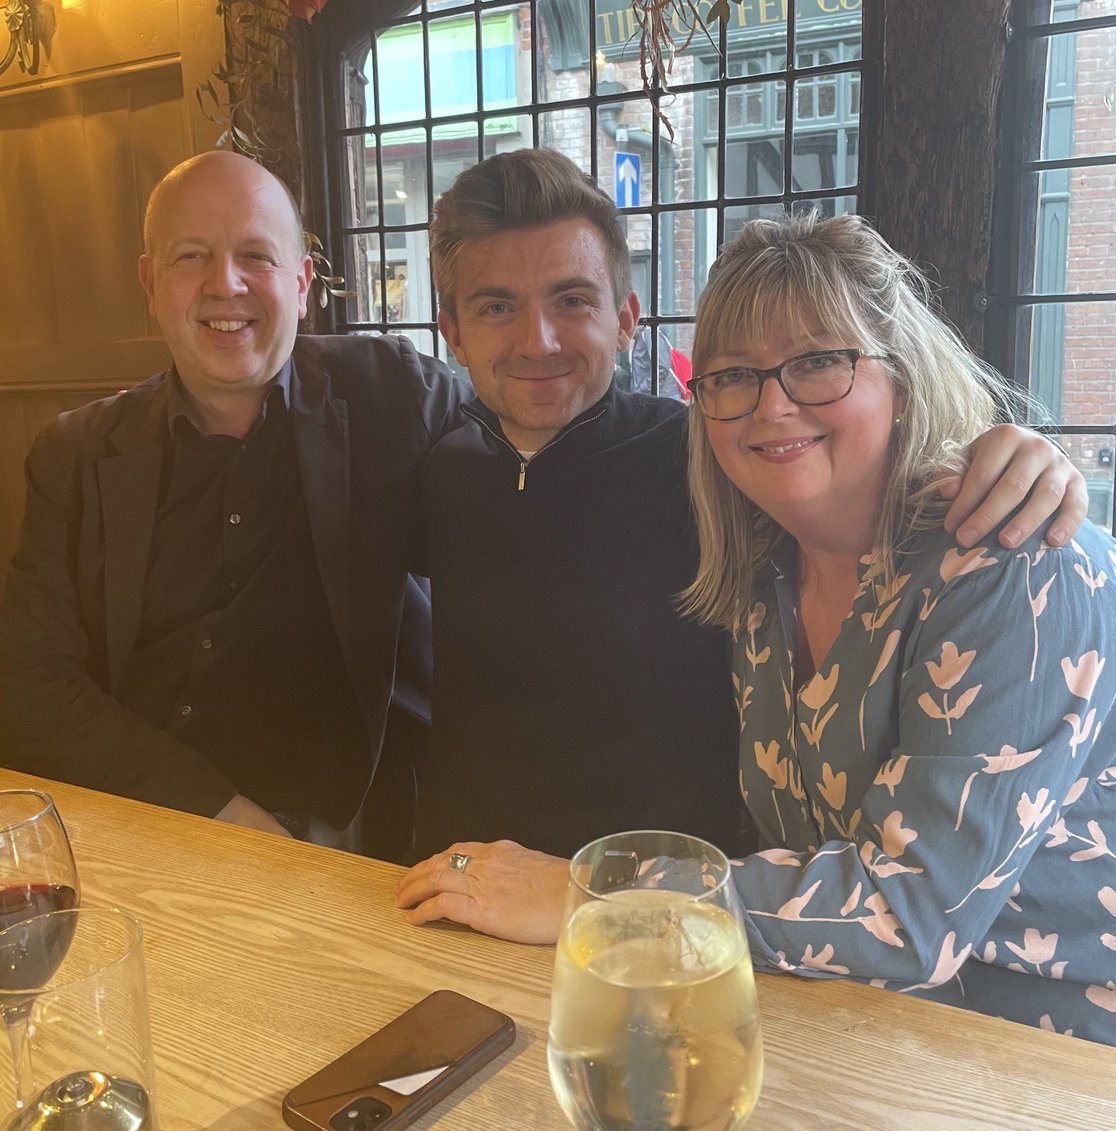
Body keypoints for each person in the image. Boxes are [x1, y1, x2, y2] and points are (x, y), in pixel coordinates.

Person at [394, 148, 1092, 942]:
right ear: (449, 330)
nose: (539, 339)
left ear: (624, 317)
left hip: (674, 920)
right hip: (461, 889)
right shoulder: (439, 469)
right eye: (494, 308)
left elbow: (869, 477)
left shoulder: (714, 462)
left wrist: (1033, 461)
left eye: (572, 299)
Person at [679, 212, 1115, 1042]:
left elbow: (910, 916)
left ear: (902, 380)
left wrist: (610, 901)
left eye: (818, 362)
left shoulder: (1013, 557)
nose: (770, 406)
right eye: (732, 376)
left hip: (1054, 1077)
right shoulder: (763, 588)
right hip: (859, 1031)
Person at [0, 151, 467, 850]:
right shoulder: (73, 456)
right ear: (149, 284)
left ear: (302, 283)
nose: (226, 284)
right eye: (191, 256)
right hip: (151, 821)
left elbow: (528, 456)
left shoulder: (395, 394)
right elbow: (29, 684)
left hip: (361, 837)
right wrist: (214, 809)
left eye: (257, 255)